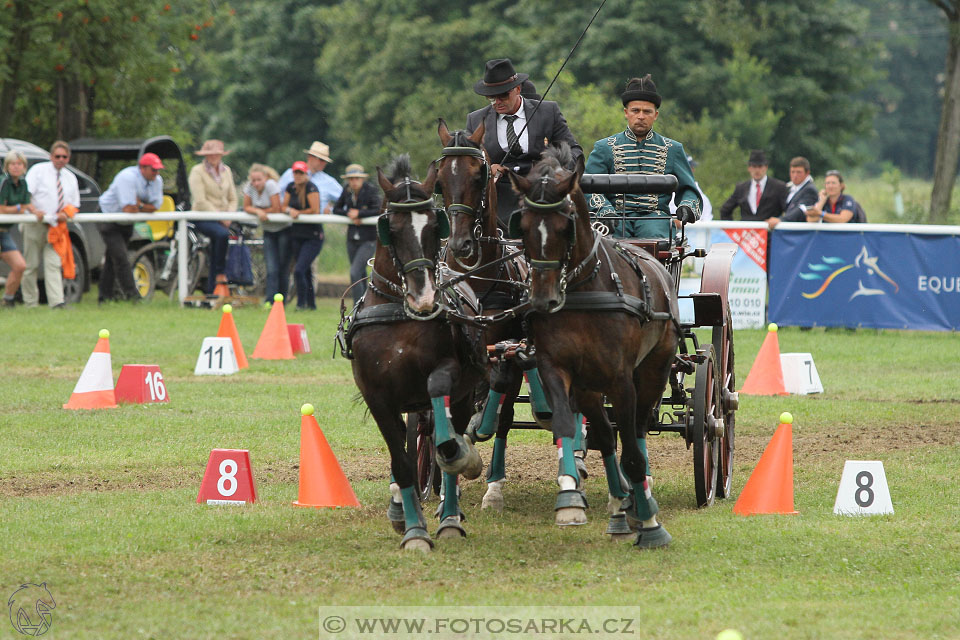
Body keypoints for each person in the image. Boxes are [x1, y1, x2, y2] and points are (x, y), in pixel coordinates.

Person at [466, 58, 583, 224]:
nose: (497, 102)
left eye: (503, 96)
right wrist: (486, 169)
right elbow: (469, 164)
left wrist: (555, 171)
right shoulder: (475, 120)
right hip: (498, 201)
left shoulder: (548, 111)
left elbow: (574, 151)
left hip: (544, 196)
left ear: (518, 89)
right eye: (491, 97)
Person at [584, 75, 701, 239]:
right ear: (626, 113)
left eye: (647, 111)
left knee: (655, 237)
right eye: (635, 111)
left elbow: (689, 189)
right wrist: (605, 211)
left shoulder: (673, 149)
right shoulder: (604, 147)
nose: (641, 116)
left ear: (656, 115)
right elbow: (589, 187)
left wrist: (686, 207)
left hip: (655, 219)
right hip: (614, 219)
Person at [96, 152, 165, 303]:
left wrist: (139, 204)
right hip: (108, 217)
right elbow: (128, 208)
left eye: (158, 169)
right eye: (153, 169)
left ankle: (104, 297)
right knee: (121, 258)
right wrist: (142, 206)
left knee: (112, 259)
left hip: (126, 221)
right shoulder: (127, 177)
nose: (157, 173)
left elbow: (154, 207)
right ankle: (133, 296)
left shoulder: (157, 180)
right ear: (143, 168)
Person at [22, 140, 79, 308]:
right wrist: (34, 211)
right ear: (51, 156)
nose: (61, 159)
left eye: (64, 156)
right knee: (30, 264)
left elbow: (75, 204)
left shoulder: (70, 178)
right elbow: (26, 196)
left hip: (57, 228)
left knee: (53, 264)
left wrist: (65, 213)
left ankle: (57, 302)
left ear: (68, 158)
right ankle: (30, 303)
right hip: (35, 224)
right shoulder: (38, 171)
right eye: (57, 156)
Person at [188, 139, 238, 295]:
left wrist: (229, 214)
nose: (214, 156)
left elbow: (233, 198)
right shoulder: (197, 171)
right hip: (203, 216)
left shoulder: (226, 171)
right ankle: (219, 273)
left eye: (217, 153)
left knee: (225, 241)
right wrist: (220, 217)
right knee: (222, 235)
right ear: (206, 155)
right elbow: (200, 200)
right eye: (211, 154)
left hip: (224, 217)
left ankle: (214, 286)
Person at [332, 163, 380, 305]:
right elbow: (336, 209)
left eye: (357, 178)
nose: (354, 181)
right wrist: (349, 214)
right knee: (359, 273)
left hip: (368, 238)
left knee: (354, 272)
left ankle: (358, 304)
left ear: (362, 179)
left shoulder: (371, 190)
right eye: (351, 179)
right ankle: (366, 301)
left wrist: (360, 214)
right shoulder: (347, 191)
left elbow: (378, 208)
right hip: (352, 237)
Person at [243, 163, 287, 303]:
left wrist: (263, 211)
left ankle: (282, 301)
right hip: (268, 231)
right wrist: (258, 211)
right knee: (271, 267)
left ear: (266, 178)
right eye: (253, 180)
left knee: (283, 267)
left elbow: (276, 208)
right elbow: (247, 207)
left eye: (259, 180)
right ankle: (270, 300)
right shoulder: (249, 187)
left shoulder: (271, 185)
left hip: (283, 230)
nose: (255, 183)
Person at [282, 161, 321, 310]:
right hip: (297, 234)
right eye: (296, 173)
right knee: (305, 270)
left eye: (300, 173)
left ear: (306, 174)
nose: (298, 176)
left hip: (313, 235)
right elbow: (283, 206)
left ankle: (301, 303)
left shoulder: (311, 187)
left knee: (299, 269)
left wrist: (298, 213)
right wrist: (289, 211)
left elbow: (315, 209)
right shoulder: (290, 187)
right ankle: (311, 304)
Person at [0, 150, 35, 307]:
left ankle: (8, 300)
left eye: (19, 164)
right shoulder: (4, 182)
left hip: (4, 231)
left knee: (20, 266)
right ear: (7, 166)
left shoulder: (23, 183)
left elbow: (27, 205)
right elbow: (2, 209)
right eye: (13, 164)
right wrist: (20, 207)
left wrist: (36, 212)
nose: (16, 167)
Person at [276, 141, 342, 217]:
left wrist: (332, 210)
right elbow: (277, 196)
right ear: (310, 157)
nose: (324, 163)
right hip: (289, 224)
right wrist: (288, 210)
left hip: (314, 225)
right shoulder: (289, 174)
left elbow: (345, 200)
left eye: (325, 161)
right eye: (321, 160)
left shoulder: (329, 181)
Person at [719, 150, 787, 222]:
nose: (757, 170)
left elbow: (788, 211)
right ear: (749, 168)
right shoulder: (741, 188)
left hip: (770, 232)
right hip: (746, 231)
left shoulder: (779, 187)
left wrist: (780, 220)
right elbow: (725, 210)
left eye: (760, 166)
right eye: (754, 166)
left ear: (766, 167)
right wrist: (733, 230)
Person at [766, 157, 818, 229]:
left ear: (807, 173)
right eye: (792, 172)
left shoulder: (810, 190)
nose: (795, 175)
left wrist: (781, 220)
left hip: (799, 233)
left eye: (798, 172)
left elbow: (800, 211)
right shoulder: (790, 188)